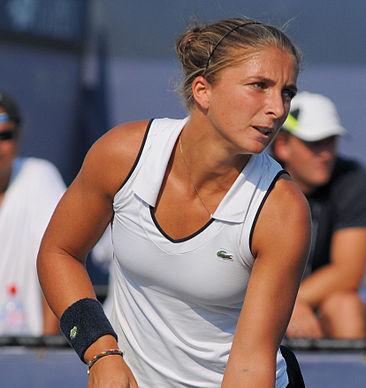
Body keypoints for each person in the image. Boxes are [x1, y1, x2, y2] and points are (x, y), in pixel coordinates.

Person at [37, 18, 310, 387]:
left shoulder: (282, 209)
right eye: (259, 86)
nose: (277, 108)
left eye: (287, 92)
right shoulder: (122, 154)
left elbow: (250, 363)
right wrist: (100, 353)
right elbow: (59, 252)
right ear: (202, 91)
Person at [271, 91, 366, 339]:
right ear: (283, 146)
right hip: (262, 301)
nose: (325, 153)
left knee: (345, 307)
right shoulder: (256, 181)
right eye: (314, 143)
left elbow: (348, 272)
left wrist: (294, 302)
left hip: (309, 303)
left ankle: (353, 378)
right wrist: (281, 307)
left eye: (330, 141)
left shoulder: (351, 179)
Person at [0, 91, 66, 335]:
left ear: (18, 136)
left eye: (4, 136)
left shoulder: (39, 177)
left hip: (27, 353)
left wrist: (43, 352)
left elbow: (59, 260)